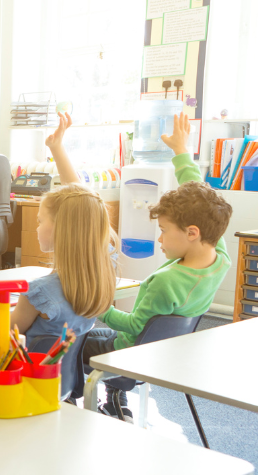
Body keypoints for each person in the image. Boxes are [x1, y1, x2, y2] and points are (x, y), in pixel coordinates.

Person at [82, 113, 233, 420]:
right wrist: (181, 152)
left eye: (164, 230)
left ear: (192, 233)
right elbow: (200, 194)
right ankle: (116, 395)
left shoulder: (167, 281)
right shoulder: (220, 255)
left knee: (71, 343)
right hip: (160, 355)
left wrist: (100, 306)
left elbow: (133, 327)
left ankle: (76, 399)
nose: (160, 238)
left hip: (127, 353)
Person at [12, 112, 118, 343]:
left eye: (40, 221)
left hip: (29, 375)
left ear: (63, 229)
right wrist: (56, 148)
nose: (36, 227)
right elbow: (85, 205)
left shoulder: (39, 293)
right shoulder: (105, 264)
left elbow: (3, 336)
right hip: (65, 377)